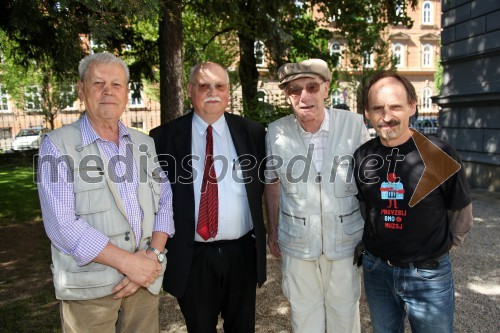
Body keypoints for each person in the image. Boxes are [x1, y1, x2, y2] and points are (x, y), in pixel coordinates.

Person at [37, 52, 175, 333]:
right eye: (98, 83)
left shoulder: (144, 143)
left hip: (144, 286)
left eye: (116, 84)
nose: (108, 91)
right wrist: (130, 264)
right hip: (90, 292)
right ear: (82, 89)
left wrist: (152, 257)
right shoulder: (56, 145)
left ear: (126, 92)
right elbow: (61, 225)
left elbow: (165, 202)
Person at [150, 62, 267, 333]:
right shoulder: (163, 139)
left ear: (228, 92)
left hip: (241, 253)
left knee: (242, 328)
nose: (212, 92)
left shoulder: (253, 133)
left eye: (220, 86)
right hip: (192, 256)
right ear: (190, 90)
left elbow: (261, 186)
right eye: (204, 86)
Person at [354, 71, 473, 333]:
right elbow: (367, 207)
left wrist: (439, 248)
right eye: (378, 108)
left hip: (428, 275)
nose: (387, 116)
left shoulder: (439, 153)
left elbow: (460, 212)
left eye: (395, 106)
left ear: (412, 106)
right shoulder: (363, 156)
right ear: (367, 113)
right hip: (377, 272)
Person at [265, 58, 370, 333]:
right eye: (295, 90)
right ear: (287, 95)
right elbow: (272, 183)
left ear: (326, 88)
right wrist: (272, 230)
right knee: (304, 317)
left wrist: (374, 231)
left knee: (344, 317)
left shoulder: (353, 124)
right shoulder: (276, 131)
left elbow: (369, 183)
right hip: (297, 242)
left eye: (311, 86)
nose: (304, 96)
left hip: (345, 241)